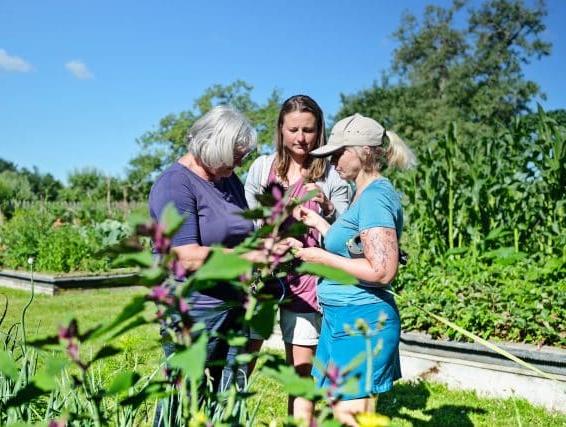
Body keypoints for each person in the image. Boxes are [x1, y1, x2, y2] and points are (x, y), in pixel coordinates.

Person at [291, 113, 416, 427]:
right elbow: (352, 246)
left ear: (362, 151)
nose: (332, 161)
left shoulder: (375, 198)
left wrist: (320, 258)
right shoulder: (363, 195)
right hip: (340, 315)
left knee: (348, 417)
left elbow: (382, 271)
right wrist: (319, 223)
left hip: (361, 320)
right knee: (311, 401)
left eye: (338, 153)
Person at [148, 105, 260, 426]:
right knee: (184, 403)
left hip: (233, 306)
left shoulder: (229, 181)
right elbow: (186, 255)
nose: (241, 162)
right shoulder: (175, 185)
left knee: (224, 401)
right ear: (214, 147)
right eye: (236, 155)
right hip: (195, 310)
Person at [243, 94, 350, 422]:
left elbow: (345, 236)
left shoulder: (331, 176)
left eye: (308, 130)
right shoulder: (263, 168)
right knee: (242, 361)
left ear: (320, 132)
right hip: (264, 279)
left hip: (307, 284)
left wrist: (329, 210)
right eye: (293, 130)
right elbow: (247, 224)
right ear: (280, 130)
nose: (301, 138)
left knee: (301, 374)